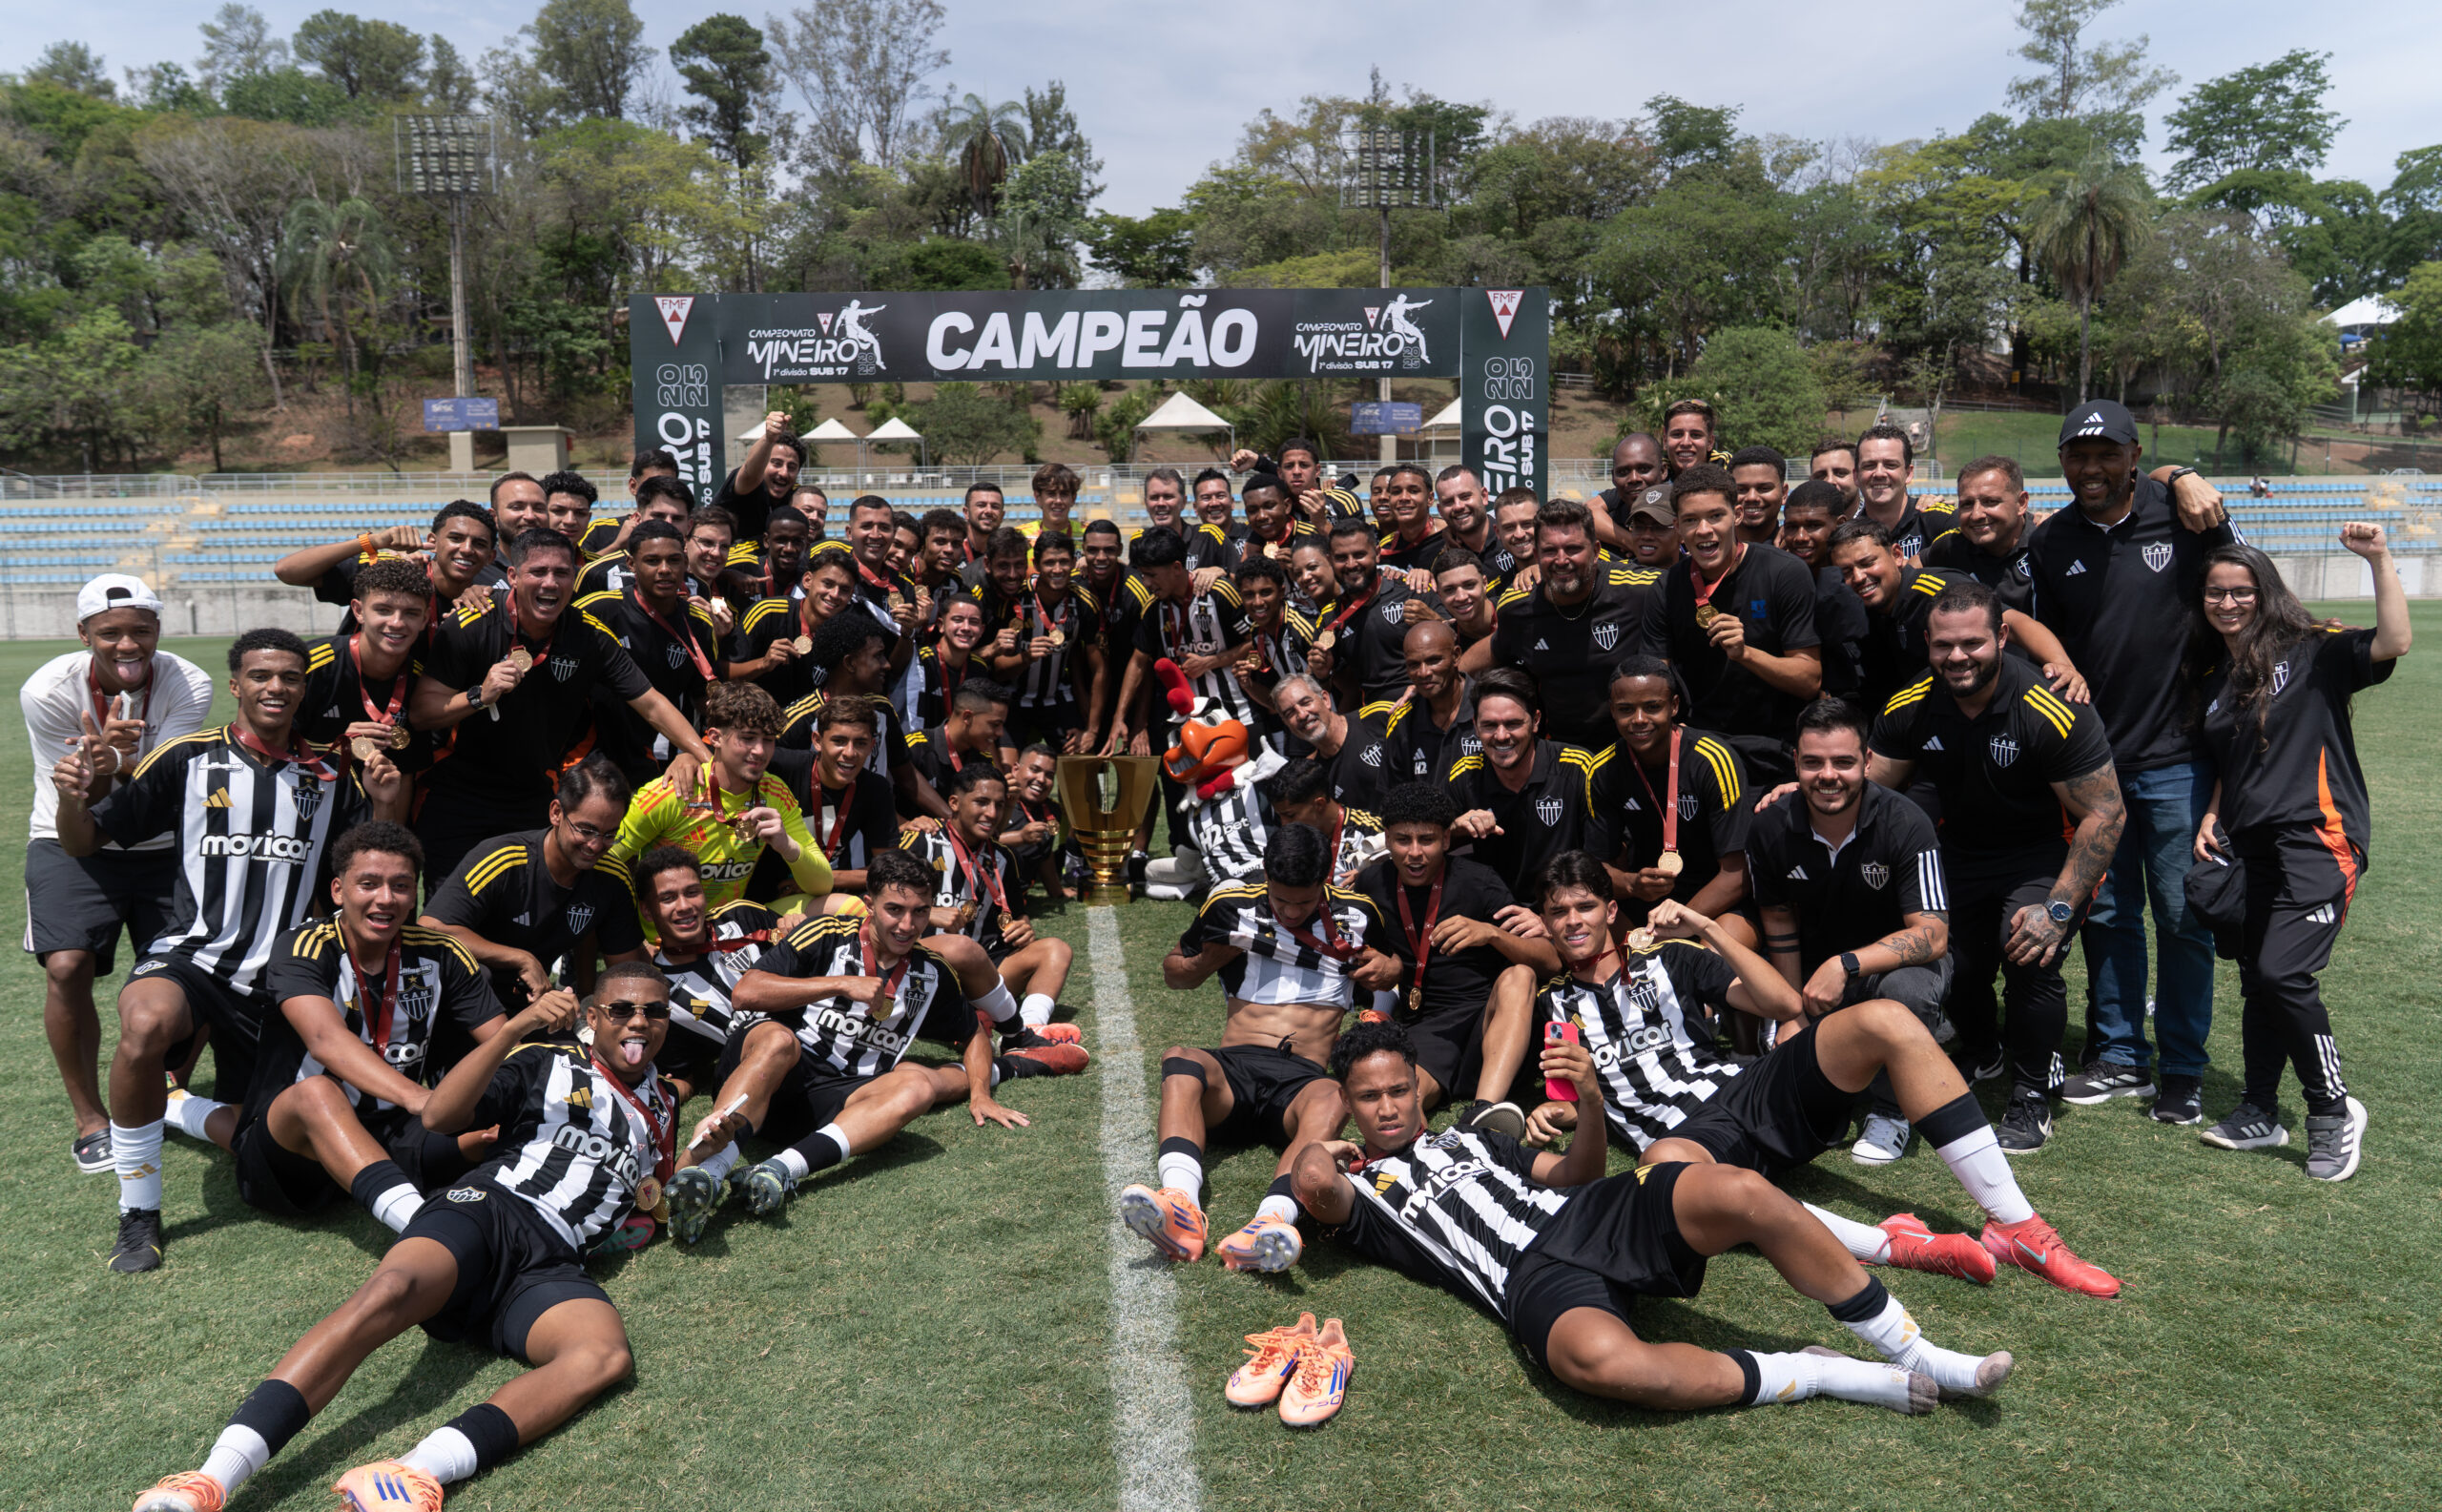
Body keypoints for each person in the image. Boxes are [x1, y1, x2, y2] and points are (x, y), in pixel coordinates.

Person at [126, 969, 674, 1512]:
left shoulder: (662, 1109)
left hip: (553, 1261)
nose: (640, 1022)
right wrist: (514, 1031)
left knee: (602, 1357)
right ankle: (207, 1481)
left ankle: (411, 1474)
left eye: (654, 1011)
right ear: (594, 1017)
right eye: (623, 1010)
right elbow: (439, 1115)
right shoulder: (548, 1061)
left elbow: (654, 1194)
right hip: (490, 1210)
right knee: (389, 1291)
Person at [1294, 1019, 2013, 1418]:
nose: (1387, 1107)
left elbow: (1576, 1173)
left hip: (1593, 1213)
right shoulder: (1368, 1194)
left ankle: (1914, 1352)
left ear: (1417, 1087)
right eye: (1368, 1097)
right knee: (1600, 1364)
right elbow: (1314, 1185)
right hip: (1530, 1279)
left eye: (1397, 1089)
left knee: (1739, 1190)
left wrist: (1592, 1103)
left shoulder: (1476, 1135)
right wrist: (1326, 1143)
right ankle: (1812, 1373)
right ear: (1349, 1102)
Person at [1509, 854, 2119, 1295]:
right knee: (1664, 1166)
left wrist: (1710, 929)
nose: (1571, 921)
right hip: (1690, 1145)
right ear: (1544, 919)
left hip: (1748, 1091)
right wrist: (1551, 1111)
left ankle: (2017, 1224)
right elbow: (1573, 1104)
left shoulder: (1670, 959)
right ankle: (1899, 1244)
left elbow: (1783, 1005)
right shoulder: (1551, 1006)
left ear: (1611, 910)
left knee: (1884, 1016)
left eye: (1584, 906)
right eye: (1557, 912)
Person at [54, 628, 403, 1273]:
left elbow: (376, 864)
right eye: (262, 675)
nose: (276, 687)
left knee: (278, 1141)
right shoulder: (188, 757)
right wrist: (75, 794)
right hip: (196, 957)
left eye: (290, 677)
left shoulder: (330, 770)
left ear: (304, 687)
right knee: (145, 1022)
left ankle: (183, 1107)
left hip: (287, 981)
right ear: (237, 683)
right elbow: (84, 842)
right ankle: (138, 1210)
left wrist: (384, 799)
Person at [2027, 400, 2239, 1125]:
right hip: (2095, 766)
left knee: (2183, 916)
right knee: (2109, 913)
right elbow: (2039, 638)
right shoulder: (2051, 542)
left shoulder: (2185, 514)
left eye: (2106, 454)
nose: (2091, 468)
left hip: (2179, 755)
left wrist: (2187, 475)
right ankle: (2120, 1055)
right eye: (2077, 456)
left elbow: (2240, 594)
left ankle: (2182, 1067)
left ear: (2135, 453)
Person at [1872, 581, 2126, 1153]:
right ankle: (1982, 1051)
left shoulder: (2049, 708)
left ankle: (2033, 1093)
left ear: (2002, 638)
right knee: (1947, 959)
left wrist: (2058, 910)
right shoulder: (1910, 704)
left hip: (2039, 856)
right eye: (1943, 646)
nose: (1957, 657)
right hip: (1957, 855)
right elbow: (1869, 792)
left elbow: (2106, 813)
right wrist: (1805, 788)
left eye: (1972, 643)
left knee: (2030, 952)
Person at [2190, 528, 2407, 1180]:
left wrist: (2378, 559)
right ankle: (2259, 1108)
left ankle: (2333, 1109)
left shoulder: (2312, 650)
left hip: (2321, 840)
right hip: (2253, 843)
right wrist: (2214, 810)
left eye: (2241, 592)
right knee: (2258, 974)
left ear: (2265, 593)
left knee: (2284, 974)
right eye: (2215, 592)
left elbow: (2394, 641)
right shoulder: (2222, 675)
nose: (2227, 603)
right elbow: (2238, 754)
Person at [177, 823, 504, 1233]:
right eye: (368, 884)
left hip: (394, 1129)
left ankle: (174, 1105)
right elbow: (325, 1041)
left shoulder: (442, 952)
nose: (385, 898)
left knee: (491, 1132)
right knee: (318, 1093)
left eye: (401, 886)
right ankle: (423, 1230)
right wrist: (420, 1098)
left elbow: (499, 1045)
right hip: (297, 1146)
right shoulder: (304, 946)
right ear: (338, 890)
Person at [676, 849, 1031, 1225]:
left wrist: (980, 1094)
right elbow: (746, 991)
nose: (908, 925)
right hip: (768, 1072)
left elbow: (974, 1034)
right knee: (780, 1041)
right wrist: (842, 984)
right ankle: (710, 1172)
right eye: (895, 909)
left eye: (921, 912)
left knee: (918, 1088)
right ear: (869, 905)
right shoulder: (827, 933)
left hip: (834, 1101)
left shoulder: (932, 973)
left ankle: (778, 1170)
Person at [1123, 824, 1388, 1274]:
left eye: (1303, 902)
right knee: (1180, 1056)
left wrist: (1388, 966)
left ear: (1325, 880)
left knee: (1335, 1094)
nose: (1290, 911)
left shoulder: (1359, 914)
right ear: (1265, 875)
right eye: (1281, 899)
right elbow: (1173, 972)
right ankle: (1181, 1204)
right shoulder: (1230, 905)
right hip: (1235, 1071)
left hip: (1303, 1078)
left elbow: (1396, 966)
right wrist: (1209, 959)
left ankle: (1271, 1220)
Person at [20, 573, 216, 1171]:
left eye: (140, 630)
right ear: (84, 634)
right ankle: (89, 1118)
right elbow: (83, 802)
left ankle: (166, 1086)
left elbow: (164, 784)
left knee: (207, 965)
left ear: (159, 630)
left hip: (163, 841)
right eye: (110, 633)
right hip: (69, 835)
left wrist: (121, 760)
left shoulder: (190, 681)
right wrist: (103, 766)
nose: (127, 644)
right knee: (67, 965)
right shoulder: (48, 691)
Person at [410, 528, 710, 884]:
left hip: (535, 795)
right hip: (459, 794)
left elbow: (651, 703)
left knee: (530, 911)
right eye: (538, 572)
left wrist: (704, 757)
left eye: (562, 573)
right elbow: (421, 713)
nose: (550, 583)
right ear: (513, 576)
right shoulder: (470, 626)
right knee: (448, 916)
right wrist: (479, 695)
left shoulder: (590, 634)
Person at [1748, 699, 1953, 1165]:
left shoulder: (1907, 823)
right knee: (1799, 1081)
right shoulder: (1768, 826)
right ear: (1795, 762)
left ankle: (1892, 1109)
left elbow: (1933, 935)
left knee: (1908, 991)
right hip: (1818, 975)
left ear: (1867, 761)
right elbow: (1779, 924)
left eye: (1843, 761)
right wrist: (1789, 1009)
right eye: (1814, 762)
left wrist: (1847, 964)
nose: (1828, 775)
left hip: (1888, 966)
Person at [1347, 780, 1554, 1129]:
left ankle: (1484, 1111)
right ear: (1387, 838)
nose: (1415, 853)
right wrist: (1391, 967)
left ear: (1446, 839)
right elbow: (1369, 953)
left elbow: (1550, 960)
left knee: (1520, 975)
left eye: (1427, 840)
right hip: (1426, 1029)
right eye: (1402, 840)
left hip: (1489, 1023)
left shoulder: (1478, 880)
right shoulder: (1372, 883)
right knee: (1402, 1108)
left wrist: (1492, 934)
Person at [421, 754, 650, 1008]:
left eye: (609, 835)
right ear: (556, 813)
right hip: (470, 998)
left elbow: (627, 975)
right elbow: (430, 927)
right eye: (586, 830)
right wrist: (520, 958)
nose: (595, 845)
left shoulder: (612, 878)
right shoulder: (503, 860)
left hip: (537, 1003)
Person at [1642, 464, 1822, 786]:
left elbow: (1809, 679)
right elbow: (1658, 680)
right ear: (1677, 527)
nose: (1704, 530)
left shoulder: (1785, 573)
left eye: (1715, 516)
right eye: (1690, 520)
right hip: (1701, 748)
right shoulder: (1666, 588)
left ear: (1737, 515)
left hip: (1774, 748)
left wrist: (1745, 654)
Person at [603, 681, 834, 917]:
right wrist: (633, 938)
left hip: (727, 930)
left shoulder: (774, 793)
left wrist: (787, 845)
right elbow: (604, 863)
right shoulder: (672, 792)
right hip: (662, 938)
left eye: (768, 739)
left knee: (845, 906)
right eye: (748, 737)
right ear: (715, 737)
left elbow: (823, 884)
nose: (760, 751)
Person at [1827, 518, 2084, 716]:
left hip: (2007, 708)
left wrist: (2062, 665)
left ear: (1897, 555)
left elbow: (2015, 622)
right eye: (1847, 571)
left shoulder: (1936, 591)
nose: (1859, 577)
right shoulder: (1865, 611)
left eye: (1867, 563)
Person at [900, 761, 1080, 1043]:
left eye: (999, 804)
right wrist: (928, 912)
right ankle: (964, 1017)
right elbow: (881, 905)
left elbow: (1018, 915)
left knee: (1056, 950)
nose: (992, 813)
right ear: (955, 803)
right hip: (921, 964)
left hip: (982, 973)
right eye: (982, 802)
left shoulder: (1004, 858)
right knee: (962, 947)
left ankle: (1028, 1032)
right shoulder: (922, 843)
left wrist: (1024, 928)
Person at [1468, 498, 1660, 752]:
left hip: (1634, 748)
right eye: (1549, 551)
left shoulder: (1641, 590)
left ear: (1596, 550)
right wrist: (1438, 680)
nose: (1561, 560)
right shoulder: (1518, 608)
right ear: (1536, 555)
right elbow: (1495, 648)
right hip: (1563, 754)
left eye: (1573, 549)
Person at [1584, 657, 1751, 932]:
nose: (1639, 720)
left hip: (1718, 900)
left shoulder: (1712, 760)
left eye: (1652, 707)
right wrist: (1632, 883)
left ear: (1674, 706)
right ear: (1612, 710)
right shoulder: (1602, 770)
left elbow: (1737, 874)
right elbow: (1597, 868)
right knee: (1596, 924)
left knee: (1715, 956)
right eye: (1626, 709)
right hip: (1648, 899)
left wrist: (1677, 922)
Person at [631, 844, 786, 1111]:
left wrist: (794, 923)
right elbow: (683, 1076)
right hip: (772, 1074)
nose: (685, 906)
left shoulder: (742, 916)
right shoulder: (659, 996)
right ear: (647, 911)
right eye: (668, 898)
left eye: (692, 893)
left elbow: (807, 952)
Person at [573, 519, 727, 785]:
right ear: (631, 565)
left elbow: (702, 695)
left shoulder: (700, 623)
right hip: (590, 752)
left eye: (674, 560)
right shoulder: (597, 610)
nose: (665, 570)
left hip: (652, 753)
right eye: (652, 561)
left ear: (686, 564)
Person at [1442, 669, 1601, 886]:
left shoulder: (1577, 768)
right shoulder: (1464, 774)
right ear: (1475, 727)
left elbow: (1604, 859)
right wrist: (1456, 828)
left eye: (1512, 724)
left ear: (1536, 721)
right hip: (1498, 910)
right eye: (1489, 725)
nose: (1501, 736)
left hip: (1566, 904)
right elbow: (1427, 839)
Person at [299, 558, 442, 782]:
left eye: (411, 613)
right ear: (358, 611)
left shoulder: (419, 680)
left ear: (424, 619)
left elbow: (403, 778)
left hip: (371, 807)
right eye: (383, 610)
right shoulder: (310, 665)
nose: (396, 623)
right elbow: (265, 747)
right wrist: (339, 750)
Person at [277, 499, 503, 636]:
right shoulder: (389, 571)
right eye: (455, 538)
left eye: (479, 544)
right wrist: (372, 542)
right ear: (433, 541)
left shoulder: (482, 603)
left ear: (490, 557)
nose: (466, 549)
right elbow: (286, 570)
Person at [762, 697, 900, 901]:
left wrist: (821, 879)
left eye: (860, 743)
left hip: (819, 894)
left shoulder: (875, 788)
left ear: (872, 745)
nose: (850, 753)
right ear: (817, 740)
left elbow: (888, 869)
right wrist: (694, 761)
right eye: (839, 741)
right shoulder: (782, 765)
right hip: (762, 892)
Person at [998, 530, 1107, 754]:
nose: (1057, 569)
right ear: (1036, 564)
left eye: (1064, 562)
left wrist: (1091, 730)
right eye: (1049, 563)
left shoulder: (1085, 602)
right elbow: (996, 670)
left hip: (1056, 698)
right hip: (1013, 700)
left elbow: (1099, 670)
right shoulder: (1014, 599)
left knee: (1080, 761)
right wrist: (1026, 657)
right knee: (1008, 773)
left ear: (1074, 563)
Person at [1311, 516, 1438, 709]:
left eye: (1360, 555)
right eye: (1341, 558)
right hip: (1375, 719)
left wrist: (1436, 622)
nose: (1351, 564)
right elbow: (1326, 688)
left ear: (1377, 553)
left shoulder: (1413, 589)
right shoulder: (1330, 620)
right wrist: (1321, 674)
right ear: (1329, 560)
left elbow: (1456, 644)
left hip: (1427, 705)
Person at [731, 549, 859, 706]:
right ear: (807, 581)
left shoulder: (848, 635)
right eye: (828, 584)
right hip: (756, 723)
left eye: (844, 590)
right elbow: (724, 672)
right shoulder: (767, 612)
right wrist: (763, 664)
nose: (834, 594)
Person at [1777, 480, 1868, 698]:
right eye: (1792, 527)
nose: (1800, 537)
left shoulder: (1856, 582)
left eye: (1813, 525)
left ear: (1839, 524)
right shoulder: (1782, 576)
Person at [1922, 455, 2038, 612]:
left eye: (1990, 502)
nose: (1976, 515)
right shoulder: (1953, 545)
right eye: (1967, 504)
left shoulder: (2045, 546)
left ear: (2021, 503)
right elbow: (1917, 566)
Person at [1273, 672, 1391, 814]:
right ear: (1286, 724)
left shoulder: (1380, 717)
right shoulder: (1314, 776)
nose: (1302, 715)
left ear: (1325, 699)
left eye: (1306, 703)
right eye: (1290, 713)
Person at [1260, 757, 1386, 889]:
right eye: (1280, 816)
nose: (1284, 824)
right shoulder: (1289, 842)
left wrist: (1372, 875)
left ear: (1319, 804)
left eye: (1290, 815)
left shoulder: (1373, 831)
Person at [1378, 620, 1477, 783]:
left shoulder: (1488, 707)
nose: (1423, 673)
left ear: (1456, 656)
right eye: (1414, 664)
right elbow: (1393, 797)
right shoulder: (1402, 721)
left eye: (1433, 661)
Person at [574, 475, 696, 597]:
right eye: (658, 516)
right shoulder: (598, 574)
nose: (667, 524)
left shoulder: (698, 585)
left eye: (677, 518)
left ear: (689, 526)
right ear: (638, 519)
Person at [1852, 424, 1956, 560]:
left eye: (1890, 465)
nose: (1879, 473)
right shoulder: (1848, 537)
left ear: (1909, 473)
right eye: (1869, 466)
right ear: (1856, 476)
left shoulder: (1938, 520)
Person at [1230, 554, 1314, 722]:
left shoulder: (1302, 627)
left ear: (1282, 592)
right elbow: (1275, 702)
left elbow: (1343, 685)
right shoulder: (1256, 632)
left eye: (1265, 592)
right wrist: (1248, 685)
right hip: (1300, 722)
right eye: (1249, 595)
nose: (1258, 602)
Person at [907, 680, 1015, 800]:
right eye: (995, 724)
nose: (1000, 733)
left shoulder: (984, 760)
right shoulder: (916, 747)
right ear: (967, 717)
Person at [711, 411, 806, 541]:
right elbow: (750, 474)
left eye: (791, 467)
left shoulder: (795, 496)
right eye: (776, 463)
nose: (783, 473)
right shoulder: (748, 483)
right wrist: (769, 439)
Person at [906, 592, 988, 729]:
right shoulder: (922, 661)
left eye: (973, 622)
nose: (966, 628)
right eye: (958, 620)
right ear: (941, 625)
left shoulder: (979, 667)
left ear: (982, 630)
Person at [1376, 463, 1447, 573]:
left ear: (1430, 498)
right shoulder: (1386, 548)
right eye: (1396, 492)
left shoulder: (1450, 538)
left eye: (1413, 491)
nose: (1404, 498)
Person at [1430, 547, 1498, 647]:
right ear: (1440, 596)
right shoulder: (1446, 643)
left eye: (1469, 585)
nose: (1461, 597)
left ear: (1484, 584)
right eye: (1449, 590)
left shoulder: (1516, 610)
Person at [1728, 445, 1789, 546]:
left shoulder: (1796, 551)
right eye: (1741, 490)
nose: (1752, 497)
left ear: (1784, 494)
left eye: (1764, 489)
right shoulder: (1708, 552)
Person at [956, 482, 1005, 586]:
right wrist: (922, 596)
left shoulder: (1007, 553)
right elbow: (922, 577)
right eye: (981, 505)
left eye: (995, 506)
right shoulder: (951, 548)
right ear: (966, 512)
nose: (988, 511)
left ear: (1002, 515)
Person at [539, 469, 598, 552]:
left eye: (580, 513)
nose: (570, 521)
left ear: (589, 518)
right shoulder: (519, 562)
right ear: (541, 513)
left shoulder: (598, 564)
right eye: (558, 511)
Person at [1660, 399, 1721, 474]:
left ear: (1710, 442)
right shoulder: (1653, 473)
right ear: (1665, 441)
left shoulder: (1730, 471)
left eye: (1695, 435)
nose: (1686, 443)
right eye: (1677, 434)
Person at [1809, 438, 1860, 515]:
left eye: (1840, 473)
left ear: (1858, 476)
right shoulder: (1800, 526)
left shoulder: (1880, 523)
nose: (1830, 481)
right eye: (1820, 476)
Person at [1032, 462, 1082, 538]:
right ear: (1038, 497)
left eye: (1064, 494)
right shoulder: (1021, 536)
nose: (1058, 501)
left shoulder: (1089, 535)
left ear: (1073, 498)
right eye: (1051, 494)